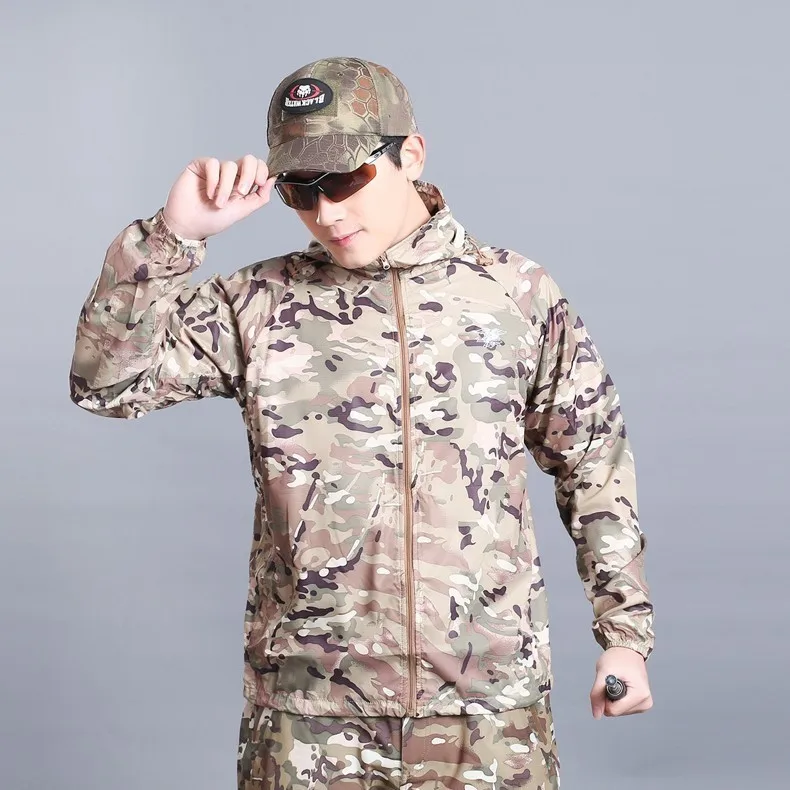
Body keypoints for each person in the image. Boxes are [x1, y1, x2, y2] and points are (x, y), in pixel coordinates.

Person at [69, 55, 654, 790]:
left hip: (486, 717)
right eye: (299, 190)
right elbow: (106, 384)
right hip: (309, 723)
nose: (326, 212)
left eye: (345, 179)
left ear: (411, 155)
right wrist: (171, 237)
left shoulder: (515, 293)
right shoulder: (260, 302)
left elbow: (593, 461)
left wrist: (624, 636)